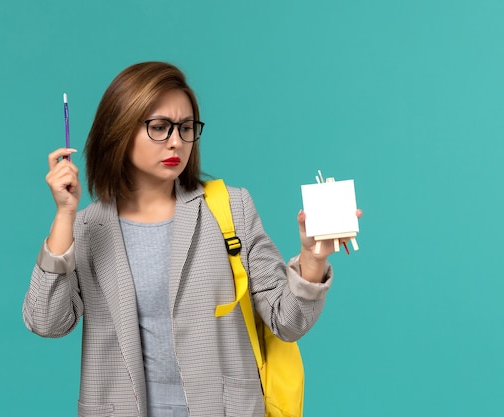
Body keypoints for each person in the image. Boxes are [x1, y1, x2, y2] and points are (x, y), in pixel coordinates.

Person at [23, 61, 362, 417]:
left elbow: (287, 322)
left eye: (186, 128)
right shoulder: (88, 229)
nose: (176, 141)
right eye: (159, 127)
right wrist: (65, 216)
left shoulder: (232, 208)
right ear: (120, 130)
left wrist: (313, 258)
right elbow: (47, 322)